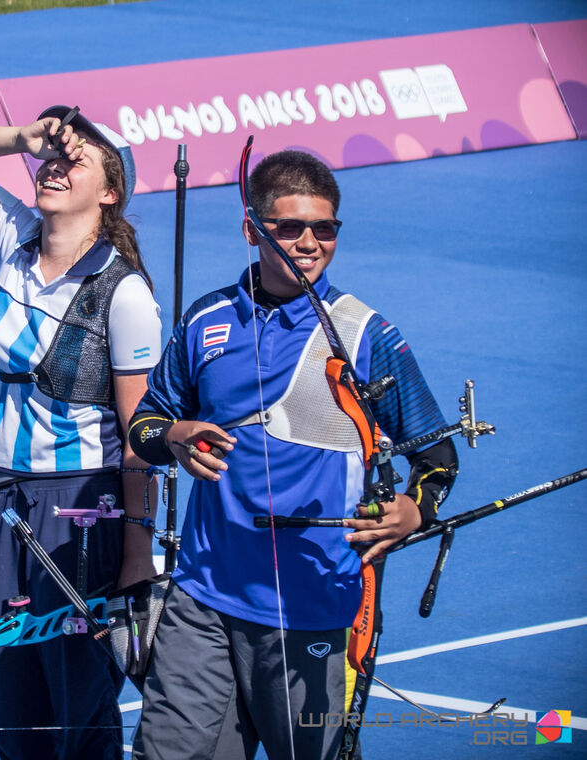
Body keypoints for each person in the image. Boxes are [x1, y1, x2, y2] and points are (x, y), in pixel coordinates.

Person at [127, 149, 459, 759]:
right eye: (290, 228)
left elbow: (437, 456)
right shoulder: (205, 320)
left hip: (316, 609)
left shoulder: (365, 335)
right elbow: (145, 425)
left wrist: (414, 511)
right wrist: (174, 437)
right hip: (202, 599)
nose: (309, 243)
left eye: (325, 228)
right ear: (252, 230)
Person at [0, 107, 163, 759]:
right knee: (11, 702)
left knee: (78, 707)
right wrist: (19, 138)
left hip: (81, 511)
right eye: (51, 158)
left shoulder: (125, 293)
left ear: (110, 192)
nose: (54, 167)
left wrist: (137, 555)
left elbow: (140, 437)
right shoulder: (18, 240)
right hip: (0, 500)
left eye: (74, 161)